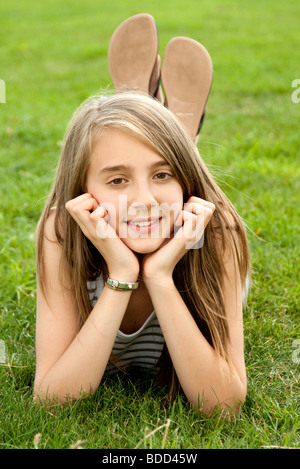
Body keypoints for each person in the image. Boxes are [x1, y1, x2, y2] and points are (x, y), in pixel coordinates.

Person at [33, 15, 251, 415]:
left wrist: (159, 275)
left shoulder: (216, 229)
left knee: (155, 165)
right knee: (145, 161)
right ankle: (160, 132)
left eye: (163, 173)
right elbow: (52, 403)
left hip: (192, 233)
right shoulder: (62, 232)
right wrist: (121, 275)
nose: (145, 199)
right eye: (117, 180)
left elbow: (224, 407)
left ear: (184, 185)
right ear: (83, 193)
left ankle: (175, 139)